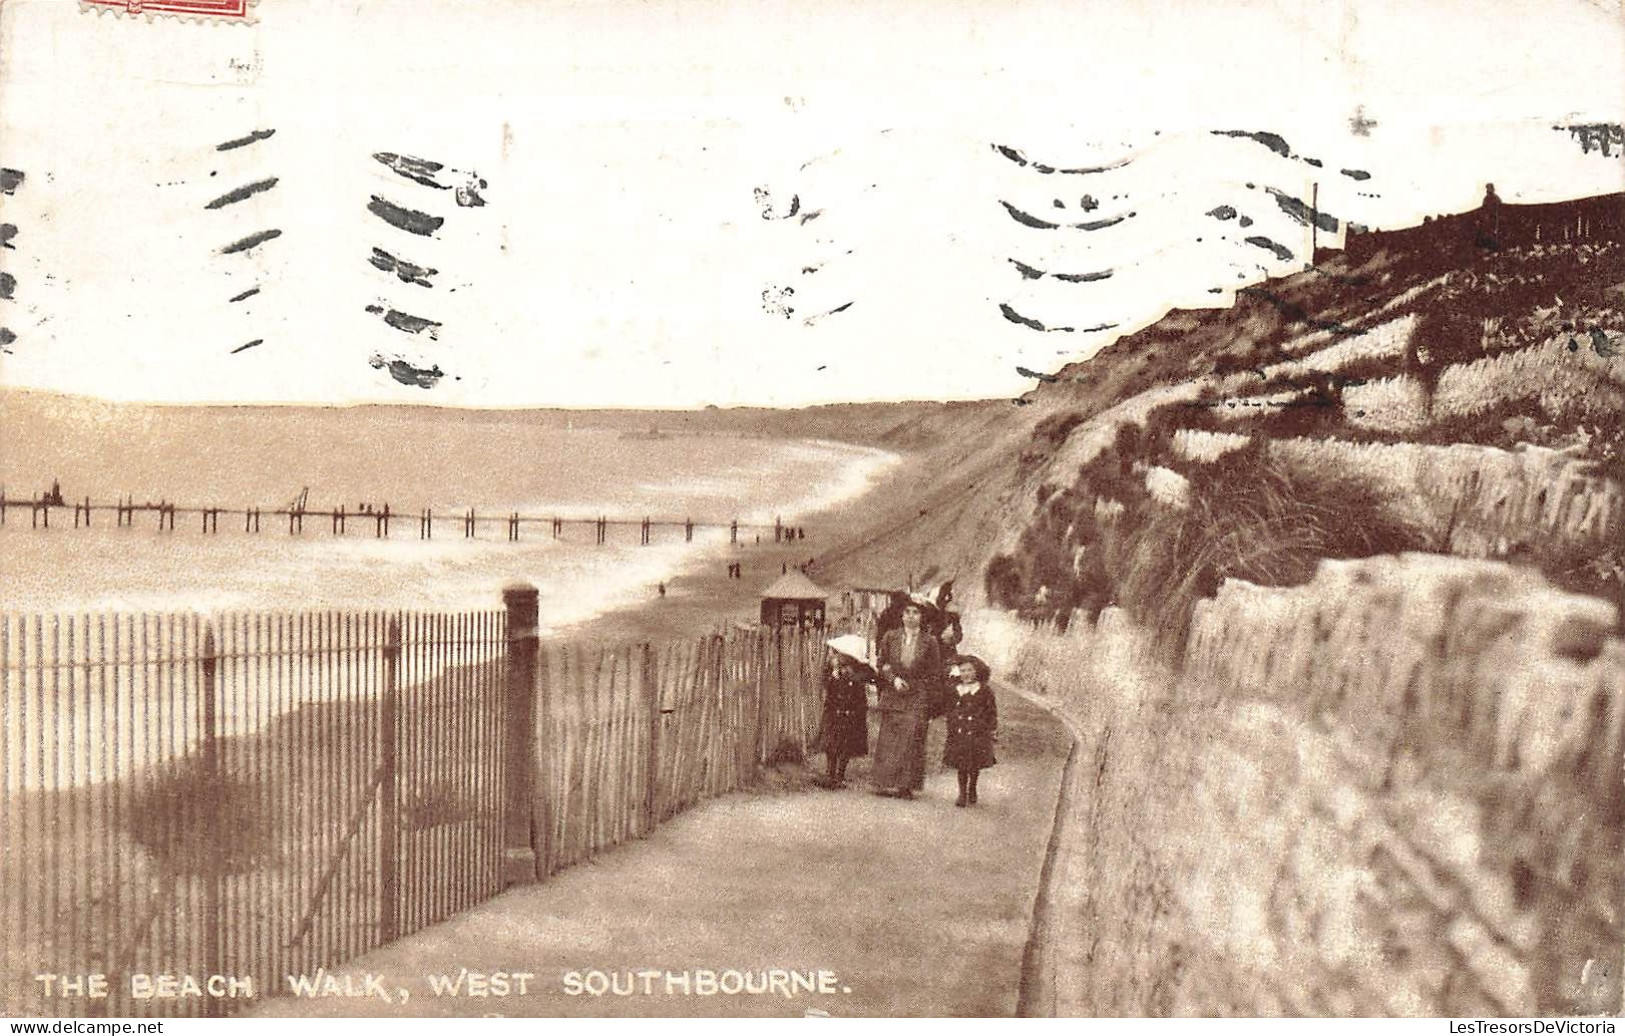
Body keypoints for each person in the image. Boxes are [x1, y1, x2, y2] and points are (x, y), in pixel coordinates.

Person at [871, 601, 942, 799]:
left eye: (916, 612)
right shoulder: (891, 637)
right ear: (901, 616)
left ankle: (906, 786)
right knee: (890, 738)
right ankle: (885, 783)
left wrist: (921, 687)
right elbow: (881, 663)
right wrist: (893, 680)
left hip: (917, 696)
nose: (911, 616)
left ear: (922, 617)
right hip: (894, 695)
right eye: (907, 612)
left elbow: (935, 672)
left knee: (912, 739)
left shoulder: (930, 642)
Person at [816, 635, 873, 789]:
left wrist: (851, 676)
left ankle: (840, 774)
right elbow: (824, 684)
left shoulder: (860, 668)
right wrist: (833, 676)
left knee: (847, 742)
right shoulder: (831, 667)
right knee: (831, 741)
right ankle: (830, 773)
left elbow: (870, 677)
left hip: (853, 709)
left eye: (838, 653)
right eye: (835, 652)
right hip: (834, 708)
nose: (834, 655)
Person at [943, 655, 997, 807]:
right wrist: (952, 723)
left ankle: (972, 787)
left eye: (969, 670)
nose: (966, 674)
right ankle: (962, 793)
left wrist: (991, 728)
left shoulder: (984, 690)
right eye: (963, 671)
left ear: (976, 672)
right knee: (961, 764)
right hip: (960, 731)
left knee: (974, 764)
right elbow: (950, 708)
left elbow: (991, 711)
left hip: (977, 732)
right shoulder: (955, 689)